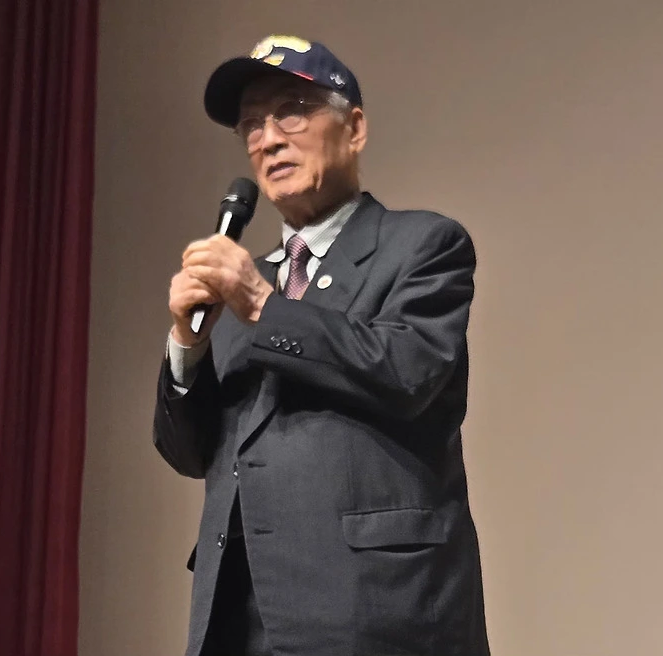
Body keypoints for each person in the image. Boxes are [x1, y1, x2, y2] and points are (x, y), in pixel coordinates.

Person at [154, 34, 490, 655]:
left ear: (354, 128)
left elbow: (408, 372)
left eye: (291, 112)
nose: (268, 139)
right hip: (239, 615)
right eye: (252, 125)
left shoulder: (422, 245)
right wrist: (186, 346)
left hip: (377, 610)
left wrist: (261, 305)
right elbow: (190, 453)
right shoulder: (246, 284)